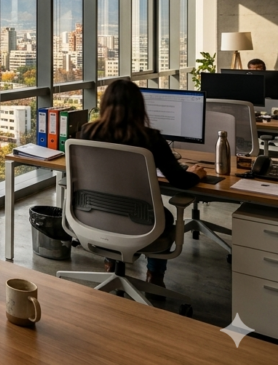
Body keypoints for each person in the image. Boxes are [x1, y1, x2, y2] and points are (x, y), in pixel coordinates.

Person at [78, 80, 206, 291]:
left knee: (115, 208)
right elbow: (180, 181)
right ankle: (154, 275)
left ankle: (111, 263)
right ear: (139, 106)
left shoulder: (86, 132)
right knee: (167, 216)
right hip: (140, 219)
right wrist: (195, 173)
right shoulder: (151, 138)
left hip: (95, 215)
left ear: (104, 104)